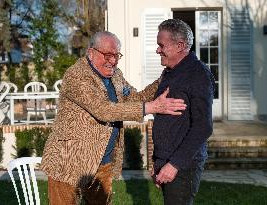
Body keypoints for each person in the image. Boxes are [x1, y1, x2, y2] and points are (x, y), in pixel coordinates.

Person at [41, 31, 186, 205]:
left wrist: (163, 78)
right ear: (91, 52)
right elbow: (103, 110)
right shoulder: (76, 75)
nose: (113, 61)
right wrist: (153, 107)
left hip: (103, 163)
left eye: (117, 55)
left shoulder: (116, 75)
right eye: (108, 55)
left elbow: (135, 98)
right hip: (68, 161)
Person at [151, 19, 215, 205]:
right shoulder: (171, 72)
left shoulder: (198, 74)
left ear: (180, 46)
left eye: (161, 45)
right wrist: (158, 160)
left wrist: (174, 164)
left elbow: (203, 127)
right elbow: (167, 121)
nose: (157, 50)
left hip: (183, 166)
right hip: (167, 161)